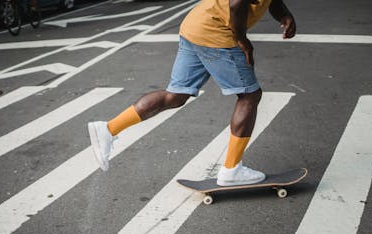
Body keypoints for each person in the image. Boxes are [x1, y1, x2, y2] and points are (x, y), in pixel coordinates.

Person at [88, 0, 296, 186]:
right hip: (218, 33)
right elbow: (236, 4)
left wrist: (284, 14)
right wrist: (242, 40)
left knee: (175, 96)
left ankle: (108, 129)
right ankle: (232, 169)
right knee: (249, 96)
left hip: (195, 27)